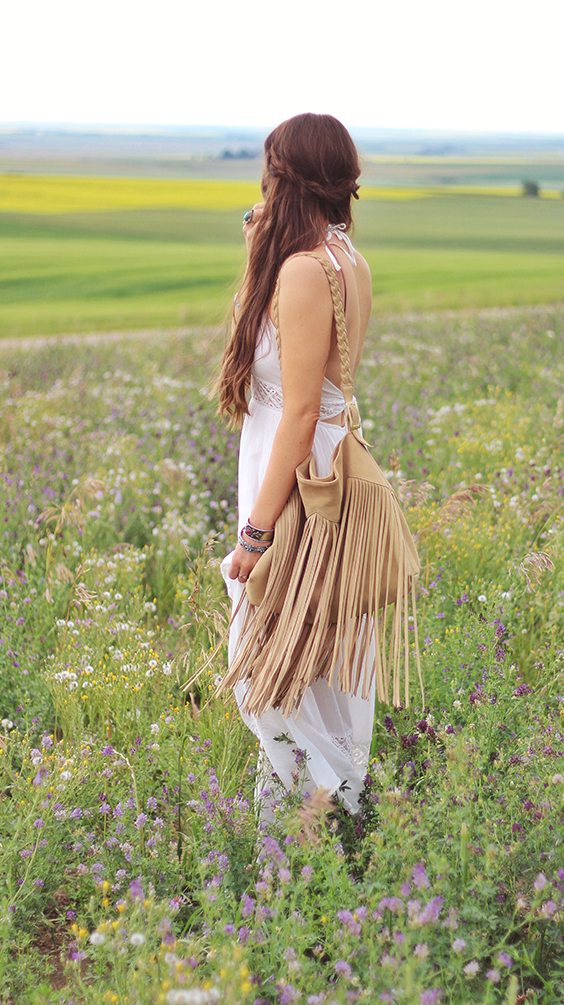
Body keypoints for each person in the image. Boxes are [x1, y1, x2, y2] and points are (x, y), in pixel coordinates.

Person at [217, 113, 375, 820]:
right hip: (315, 468)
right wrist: (260, 255)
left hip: (297, 476)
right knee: (311, 651)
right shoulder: (342, 257)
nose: (262, 177)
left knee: (267, 654)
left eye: (270, 166)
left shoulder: (306, 270)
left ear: (288, 176)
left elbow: (301, 409)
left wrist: (256, 531)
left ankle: (318, 809)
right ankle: (319, 816)